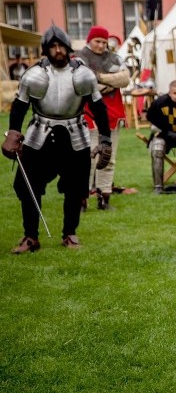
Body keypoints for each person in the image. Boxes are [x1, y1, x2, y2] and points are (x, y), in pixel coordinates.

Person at [2, 25, 112, 253]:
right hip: (39, 136)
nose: (58, 50)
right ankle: (30, 236)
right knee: (29, 186)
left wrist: (105, 138)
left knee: (76, 188)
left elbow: (99, 108)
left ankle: (70, 233)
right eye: (52, 46)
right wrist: (14, 132)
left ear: (68, 47)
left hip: (76, 136)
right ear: (46, 49)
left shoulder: (83, 74)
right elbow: (20, 106)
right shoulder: (34, 74)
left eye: (61, 45)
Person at [76, 26, 130, 210]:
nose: (101, 45)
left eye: (104, 42)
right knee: (88, 157)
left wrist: (99, 78)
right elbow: (82, 84)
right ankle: (82, 198)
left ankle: (104, 197)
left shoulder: (114, 58)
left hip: (112, 114)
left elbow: (125, 79)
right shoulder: (79, 59)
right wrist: (108, 82)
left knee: (109, 156)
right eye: (97, 41)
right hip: (88, 113)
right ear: (89, 40)